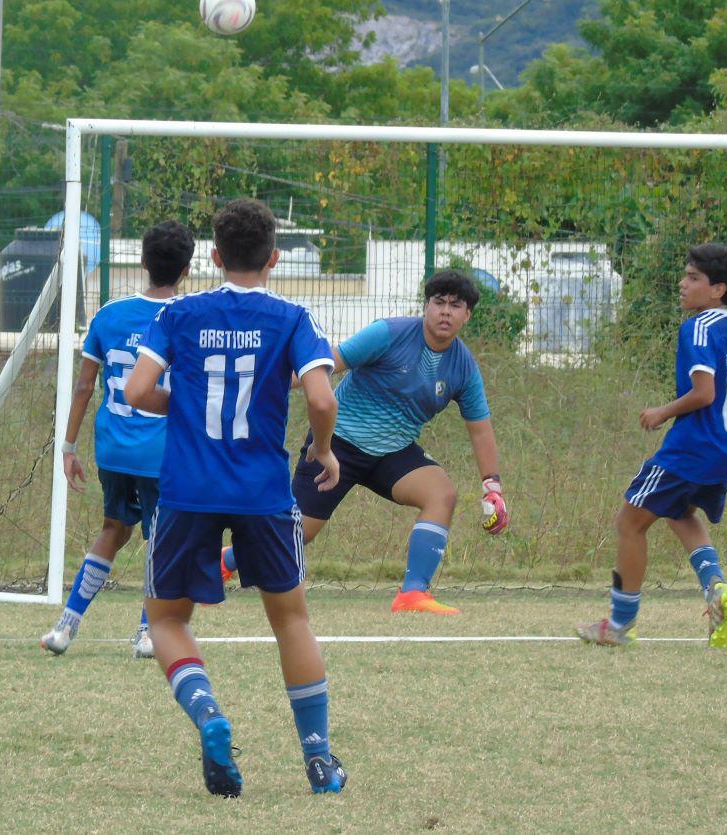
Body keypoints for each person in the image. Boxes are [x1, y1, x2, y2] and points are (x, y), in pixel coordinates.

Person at [125, 197, 347, 797]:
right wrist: (321, 451)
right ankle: (320, 761)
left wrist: (187, 411)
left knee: (167, 618)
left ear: (216, 257)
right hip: (263, 492)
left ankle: (208, 716)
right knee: (292, 619)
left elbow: (137, 388)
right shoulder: (293, 317)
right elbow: (322, 401)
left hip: (188, 491)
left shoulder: (179, 313)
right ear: (274, 258)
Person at [224, 269, 508, 616]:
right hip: (336, 444)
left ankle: (412, 595)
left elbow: (479, 428)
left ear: (468, 315)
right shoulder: (388, 333)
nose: (445, 311)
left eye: (455, 305)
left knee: (442, 494)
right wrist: (263, 384)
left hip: (393, 452)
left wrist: (491, 486)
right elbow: (327, 364)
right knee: (297, 532)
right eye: (438, 302)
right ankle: (224, 561)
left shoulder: (463, 367)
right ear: (426, 306)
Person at [577, 243, 727, 648]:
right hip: (722, 453)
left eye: (693, 278)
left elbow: (704, 392)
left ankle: (618, 624)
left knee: (630, 523)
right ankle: (716, 587)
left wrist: (662, 412)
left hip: (691, 449)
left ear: (718, 289)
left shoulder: (698, 328)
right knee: (679, 512)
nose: (682, 284)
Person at [40, 220, 193, 658]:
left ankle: (66, 626)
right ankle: (148, 632)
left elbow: (85, 387)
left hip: (113, 446)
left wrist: (68, 447)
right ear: (187, 269)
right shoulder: (186, 318)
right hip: (160, 450)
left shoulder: (109, 315)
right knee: (159, 538)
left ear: (143, 262)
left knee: (113, 528)